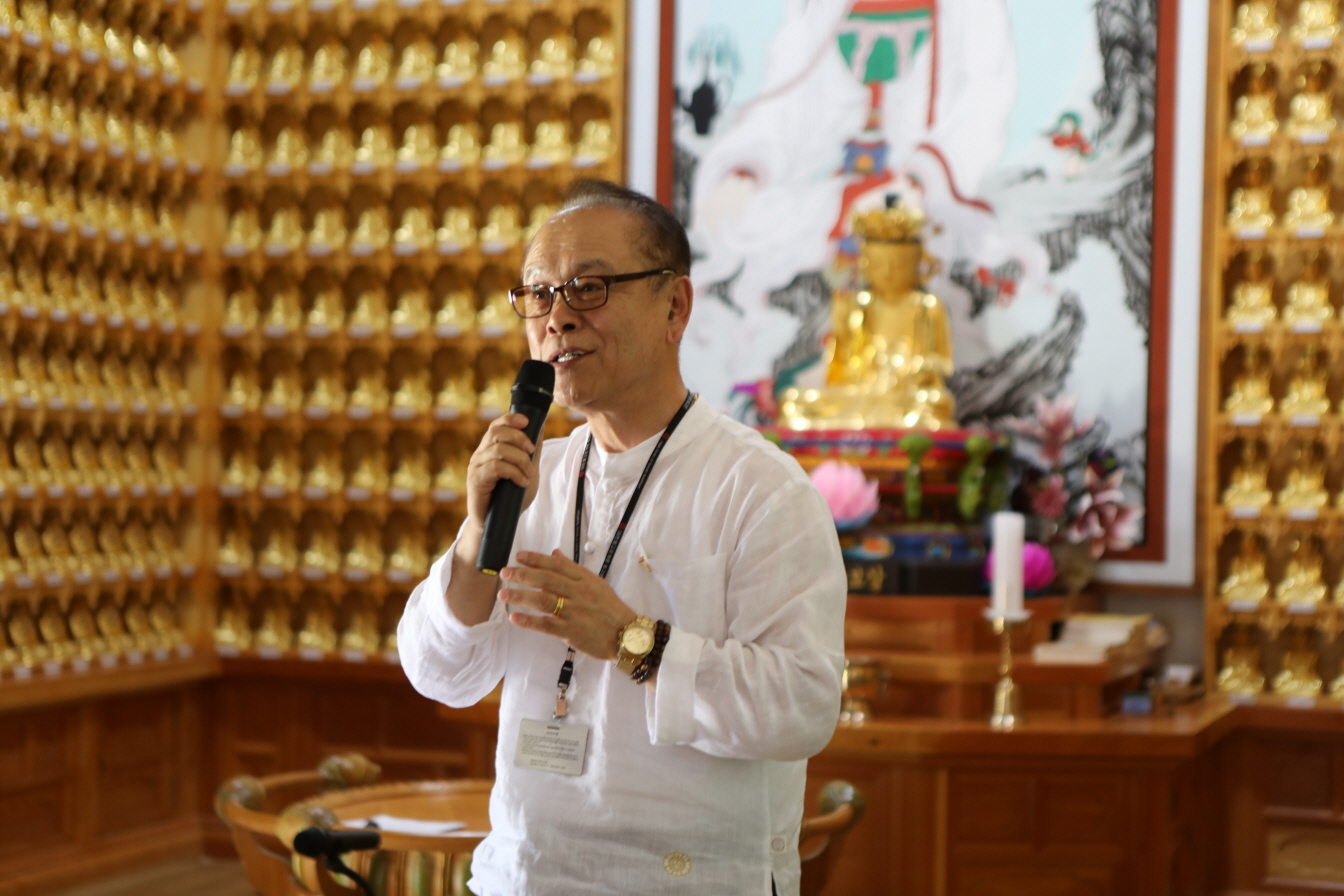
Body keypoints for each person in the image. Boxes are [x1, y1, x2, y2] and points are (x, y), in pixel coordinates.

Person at [397, 178, 848, 896]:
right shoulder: (532, 476)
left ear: (675, 307)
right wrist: (478, 533)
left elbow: (801, 707)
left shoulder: (760, 487)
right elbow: (439, 674)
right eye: (538, 294)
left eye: (589, 288)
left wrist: (631, 640)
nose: (557, 319)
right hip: (525, 875)